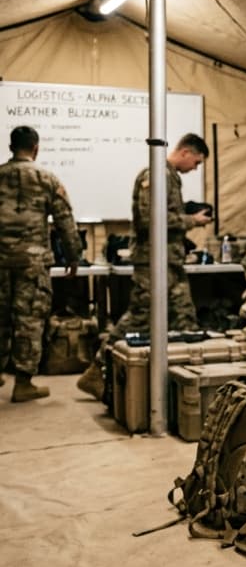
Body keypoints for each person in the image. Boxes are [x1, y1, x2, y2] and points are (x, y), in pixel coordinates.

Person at [77, 133, 211, 399]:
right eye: (195, 162)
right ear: (185, 151)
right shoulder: (156, 174)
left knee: (184, 318)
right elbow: (152, 219)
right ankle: (98, 367)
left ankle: (184, 386)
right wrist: (191, 220)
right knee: (140, 315)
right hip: (153, 262)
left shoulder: (169, 176)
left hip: (169, 262)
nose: (194, 168)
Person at [0, 125, 82, 402]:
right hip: (32, 264)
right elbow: (65, 222)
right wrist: (73, 256)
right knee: (29, 321)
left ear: (11, 147)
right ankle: (23, 383)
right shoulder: (47, 179)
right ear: (36, 147)